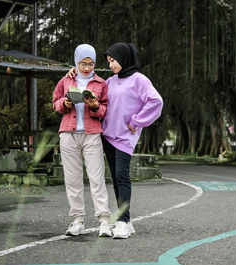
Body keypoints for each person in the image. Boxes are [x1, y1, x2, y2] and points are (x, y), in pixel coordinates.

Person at [67, 42, 163, 239]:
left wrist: (137, 121)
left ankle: (124, 221)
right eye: (109, 61)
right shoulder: (110, 81)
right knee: (116, 180)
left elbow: (156, 102)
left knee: (122, 176)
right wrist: (73, 72)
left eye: (114, 60)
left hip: (126, 137)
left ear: (125, 58)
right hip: (108, 135)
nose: (111, 64)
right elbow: (95, 90)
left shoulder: (139, 80)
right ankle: (124, 219)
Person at [53, 44, 112, 237]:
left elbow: (104, 109)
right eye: (83, 63)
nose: (87, 68)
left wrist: (95, 106)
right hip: (68, 135)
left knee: (97, 179)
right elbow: (56, 103)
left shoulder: (101, 83)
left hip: (92, 134)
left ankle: (104, 220)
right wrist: (65, 103)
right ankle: (77, 220)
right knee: (72, 180)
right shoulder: (65, 80)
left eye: (91, 63)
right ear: (76, 61)